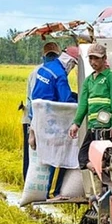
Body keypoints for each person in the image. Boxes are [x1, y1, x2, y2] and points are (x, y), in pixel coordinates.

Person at [28, 42, 78, 201]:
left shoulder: (44, 69)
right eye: (73, 66)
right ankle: (54, 193)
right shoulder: (60, 75)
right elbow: (66, 100)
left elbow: (34, 98)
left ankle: (44, 192)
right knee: (61, 155)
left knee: (47, 156)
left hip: (39, 120)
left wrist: (32, 129)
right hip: (52, 122)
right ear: (70, 62)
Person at [68, 43, 112, 176]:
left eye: (96, 58)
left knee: (105, 156)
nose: (93, 62)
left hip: (106, 126)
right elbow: (83, 104)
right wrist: (76, 123)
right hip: (93, 126)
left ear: (104, 58)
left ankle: (102, 186)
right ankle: (98, 170)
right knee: (83, 157)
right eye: (90, 58)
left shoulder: (111, 77)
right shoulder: (88, 81)